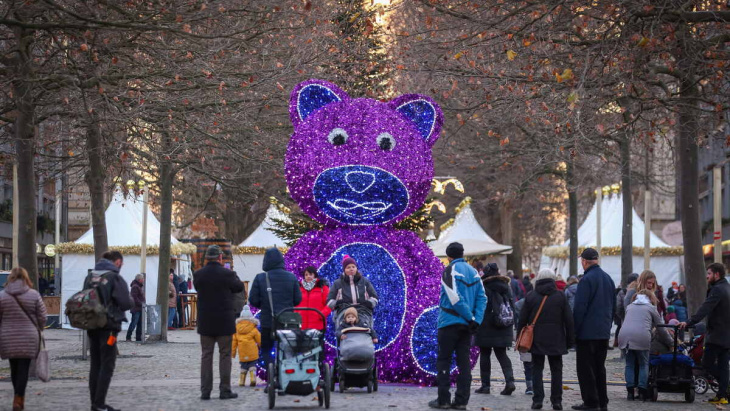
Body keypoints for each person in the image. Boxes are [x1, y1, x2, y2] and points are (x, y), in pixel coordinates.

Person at [429, 242, 487, 410]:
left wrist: (469, 317)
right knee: (464, 364)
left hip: (448, 323)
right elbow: (482, 298)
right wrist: (476, 320)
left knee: (444, 361)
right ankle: (461, 401)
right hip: (467, 327)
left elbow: (454, 298)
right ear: (463, 254)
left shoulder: (449, 271)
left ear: (448, 256)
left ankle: (443, 400)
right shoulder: (474, 273)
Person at [518, 268, 574, 410]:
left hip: (536, 338)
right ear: (553, 279)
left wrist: (519, 336)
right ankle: (557, 401)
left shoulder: (531, 296)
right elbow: (569, 320)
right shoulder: (560, 296)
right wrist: (570, 341)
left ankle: (537, 400)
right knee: (556, 370)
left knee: (537, 369)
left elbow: (522, 319)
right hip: (556, 338)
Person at [193, 245, 245, 400]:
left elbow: (197, 288)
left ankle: (205, 391)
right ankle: (225, 390)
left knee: (206, 356)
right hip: (224, 322)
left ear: (207, 258)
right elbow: (239, 287)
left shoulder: (198, 275)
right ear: (220, 257)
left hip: (206, 322)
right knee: (225, 355)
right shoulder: (228, 274)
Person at [85, 251, 133, 411]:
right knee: (107, 364)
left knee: (95, 363)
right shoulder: (114, 277)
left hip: (92, 324)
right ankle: (99, 404)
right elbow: (125, 302)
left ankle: (95, 402)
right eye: (122, 263)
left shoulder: (89, 276)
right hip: (109, 326)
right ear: (117, 262)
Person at [679, 263, 730, 404]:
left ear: (716, 274)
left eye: (709, 274)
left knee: (706, 364)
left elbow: (705, 308)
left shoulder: (718, 289)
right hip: (726, 335)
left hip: (716, 335)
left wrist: (689, 322)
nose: (707, 276)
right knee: (723, 366)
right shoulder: (727, 287)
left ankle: (726, 388)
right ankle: (722, 395)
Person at [572, 248, 615, 411]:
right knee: (599, 367)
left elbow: (580, 308)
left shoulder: (586, 280)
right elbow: (612, 308)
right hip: (603, 332)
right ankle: (602, 401)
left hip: (587, 333)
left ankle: (591, 401)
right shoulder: (608, 279)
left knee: (585, 368)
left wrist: (574, 331)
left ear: (584, 261)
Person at [0, 267, 47, 411]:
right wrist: (38, 327)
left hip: (7, 337)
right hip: (28, 337)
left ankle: (17, 396)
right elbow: (42, 317)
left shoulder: (2, 296)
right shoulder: (34, 295)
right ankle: (19, 398)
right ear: (26, 278)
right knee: (24, 369)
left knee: (14, 368)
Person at [249, 247, 302, 375]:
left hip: (268, 320)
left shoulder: (261, 278)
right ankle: (285, 376)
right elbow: (298, 299)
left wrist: (265, 305)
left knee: (266, 349)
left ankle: (273, 375)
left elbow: (253, 300)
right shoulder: (291, 277)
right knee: (287, 349)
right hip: (288, 321)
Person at [475, 267, 516, 396]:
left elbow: (479, 306)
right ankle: (510, 382)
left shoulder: (483, 286)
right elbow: (512, 306)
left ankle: (485, 386)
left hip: (486, 325)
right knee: (502, 354)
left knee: (485, 354)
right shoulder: (506, 287)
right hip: (503, 325)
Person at [618, 290, 663, 401]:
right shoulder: (651, 308)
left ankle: (630, 393)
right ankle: (642, 391)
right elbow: (661, 327)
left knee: (629, 364)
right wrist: (671, 343)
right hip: (641, 337)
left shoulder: (629, 307)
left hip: (625, 337)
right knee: (643, 364)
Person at [232, 305, 260, 387]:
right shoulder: (254, 329)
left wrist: (232, 353)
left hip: (242, 352)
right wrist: (262, 346)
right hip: (252, 352)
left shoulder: (237, 329)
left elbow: (234, 342)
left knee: (243, 366)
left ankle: (241, 380)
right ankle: (252, 378)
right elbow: (259, 339)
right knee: (252, 365)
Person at [297, 266, 331, 332]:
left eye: (311, 274)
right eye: (306, 274)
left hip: (318, 326)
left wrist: (321, 315)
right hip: (300, 326)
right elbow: (294, 304)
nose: (308, 276)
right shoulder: (298, 288)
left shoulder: (322, 288)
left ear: (315, 275)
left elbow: (329, 304)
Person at [514, 297, 534, 396]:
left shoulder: (528, 299)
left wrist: (518, 336)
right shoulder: (554, 297)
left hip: (527, 334)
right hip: (544, 334)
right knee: (539, 362)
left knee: (528, 362)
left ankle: (530, 386)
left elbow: (520, 317)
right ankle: (536, 385)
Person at [126, 274, 145, 342]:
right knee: (134, 323)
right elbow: (134, 298)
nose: (143, 280)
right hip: (136, 308)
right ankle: (128, 336)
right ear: (139, 280)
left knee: (140, 324)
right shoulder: (135, 287)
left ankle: (138, 338)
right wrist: (141, 304)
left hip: (140, 308)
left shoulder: (138, 286)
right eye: (143, 279)